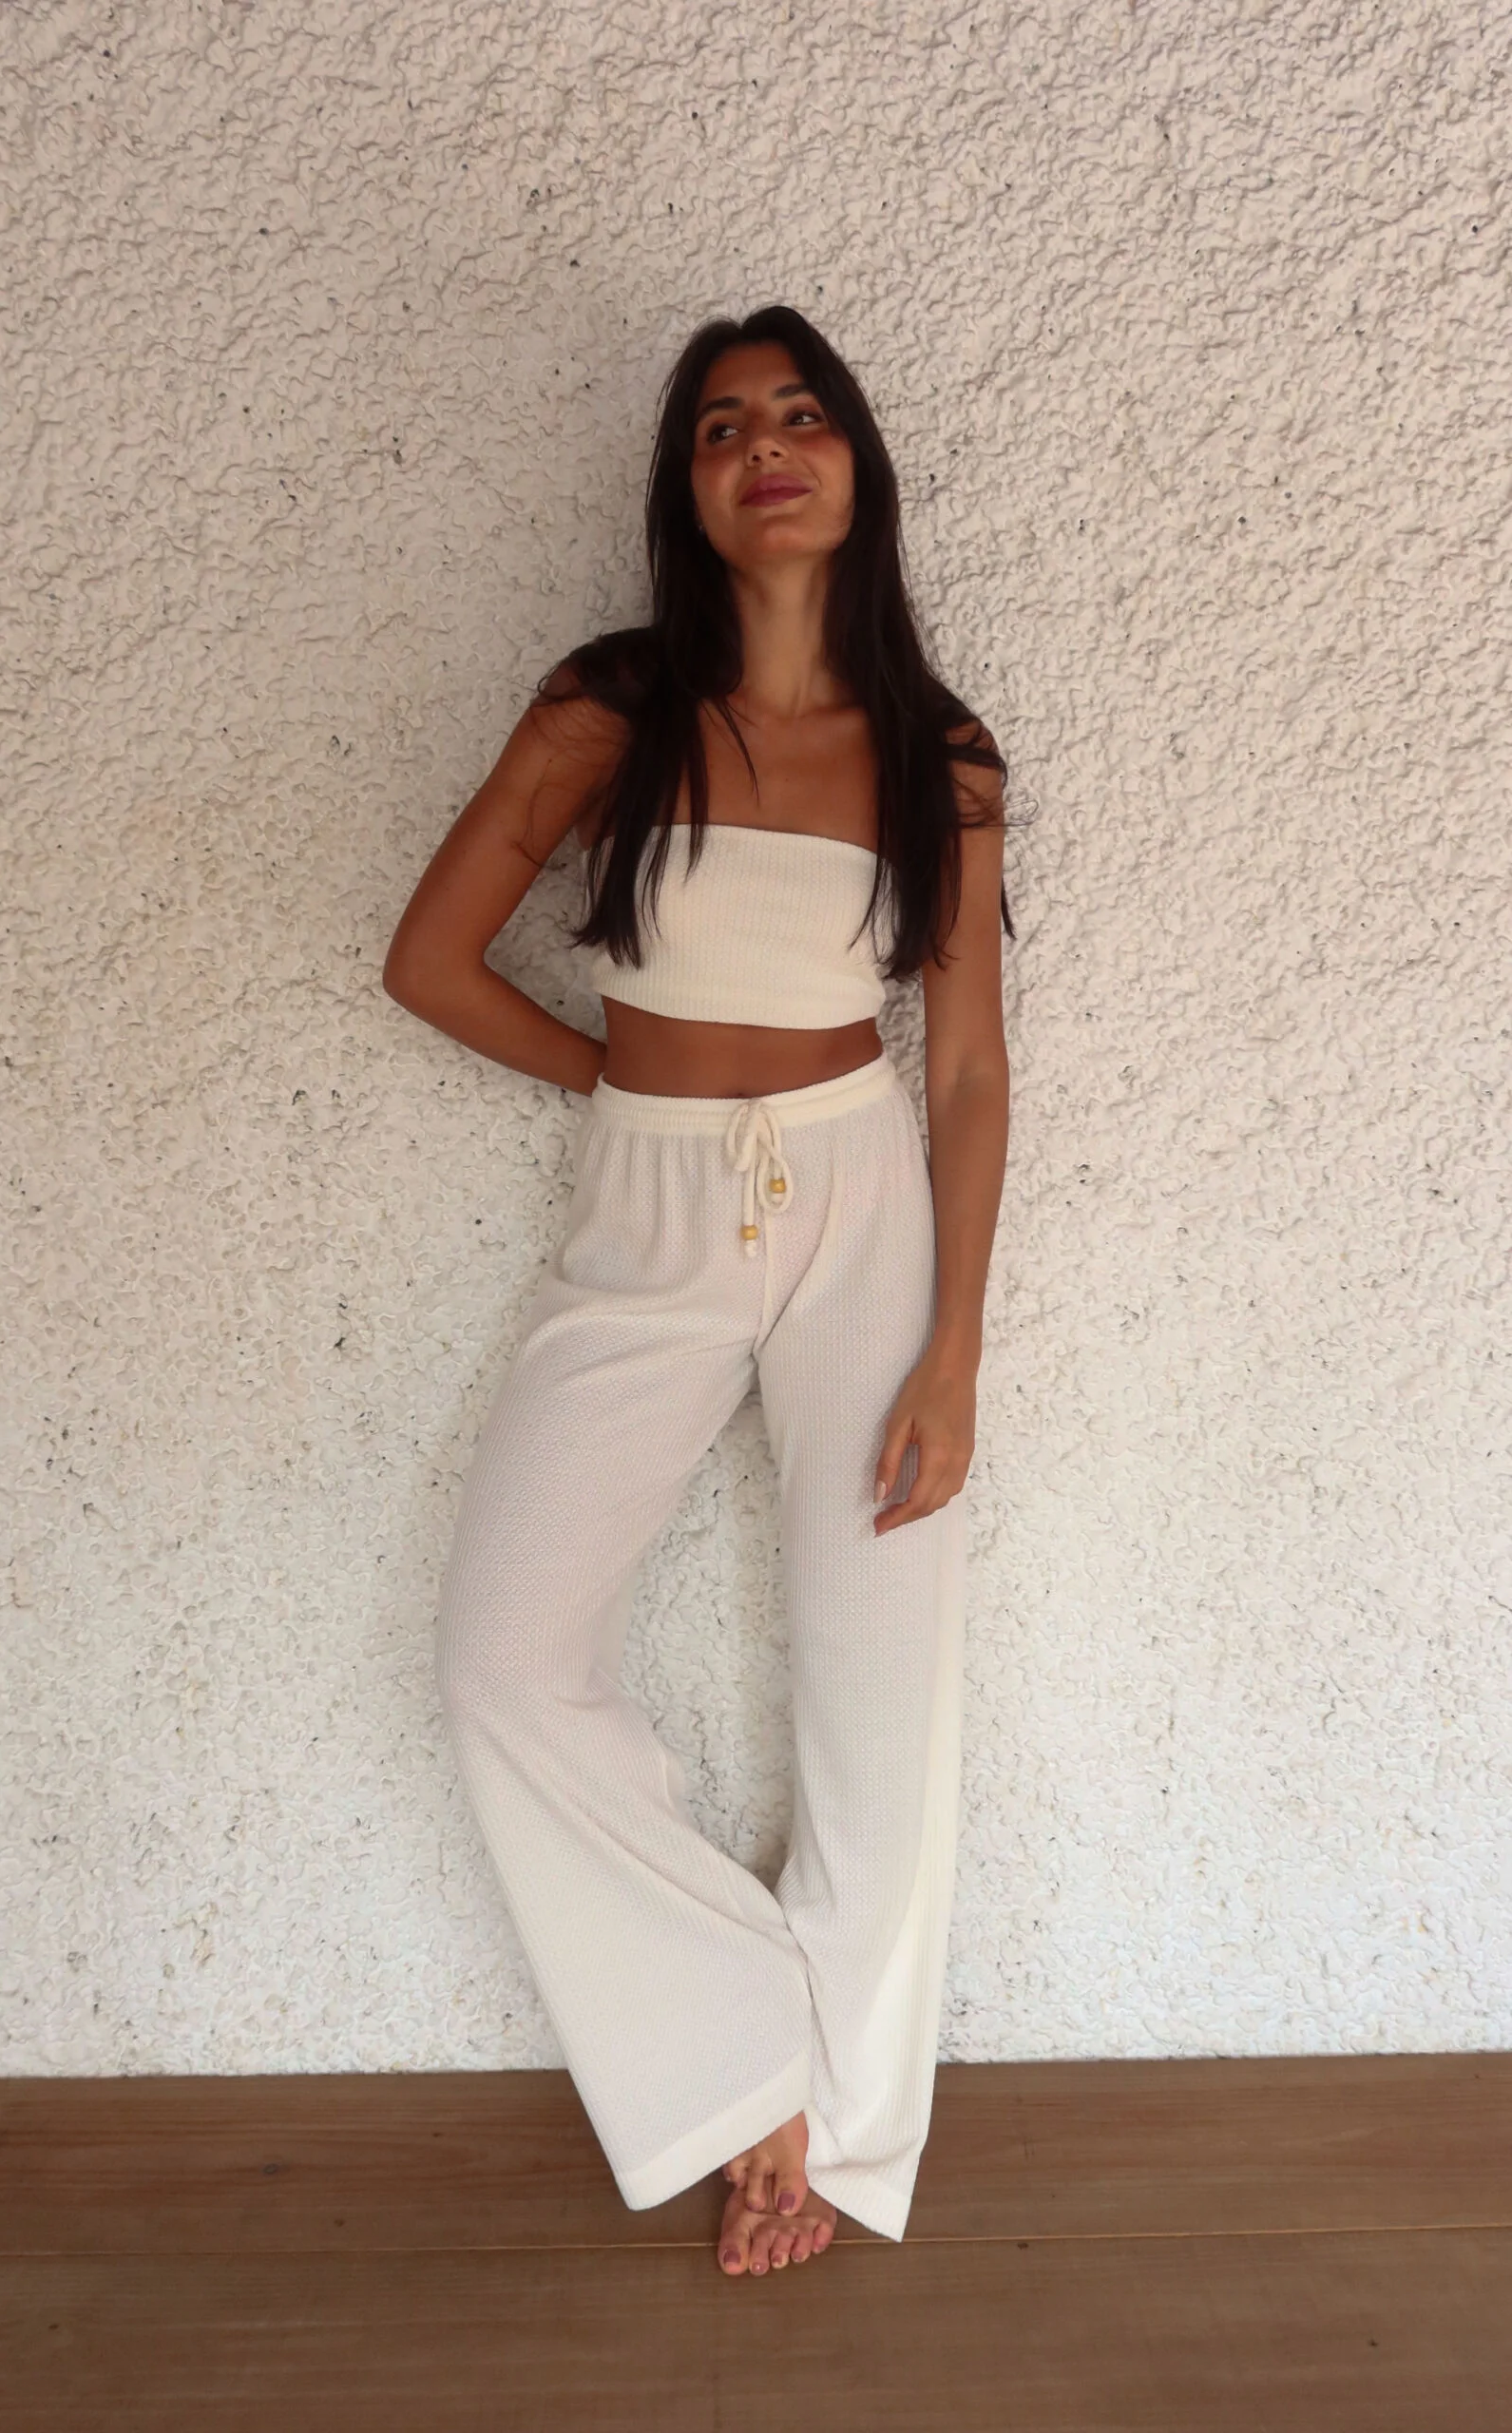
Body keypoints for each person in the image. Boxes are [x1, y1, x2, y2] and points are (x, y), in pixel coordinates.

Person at [382, 303, 1014, 2281]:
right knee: (501, 1661)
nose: (766, 447)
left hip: (862, 1205)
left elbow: (967, 1068)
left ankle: (838, 2127)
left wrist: (955, 1346)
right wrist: (617, 1086)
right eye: (723, 425)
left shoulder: (937, 752)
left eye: (801, 414)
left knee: (882, 1691)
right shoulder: (608, 708)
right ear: (688, 488)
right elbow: (430, 961)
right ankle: (748, 2056)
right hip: (649, 1216)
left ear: (856, 467)